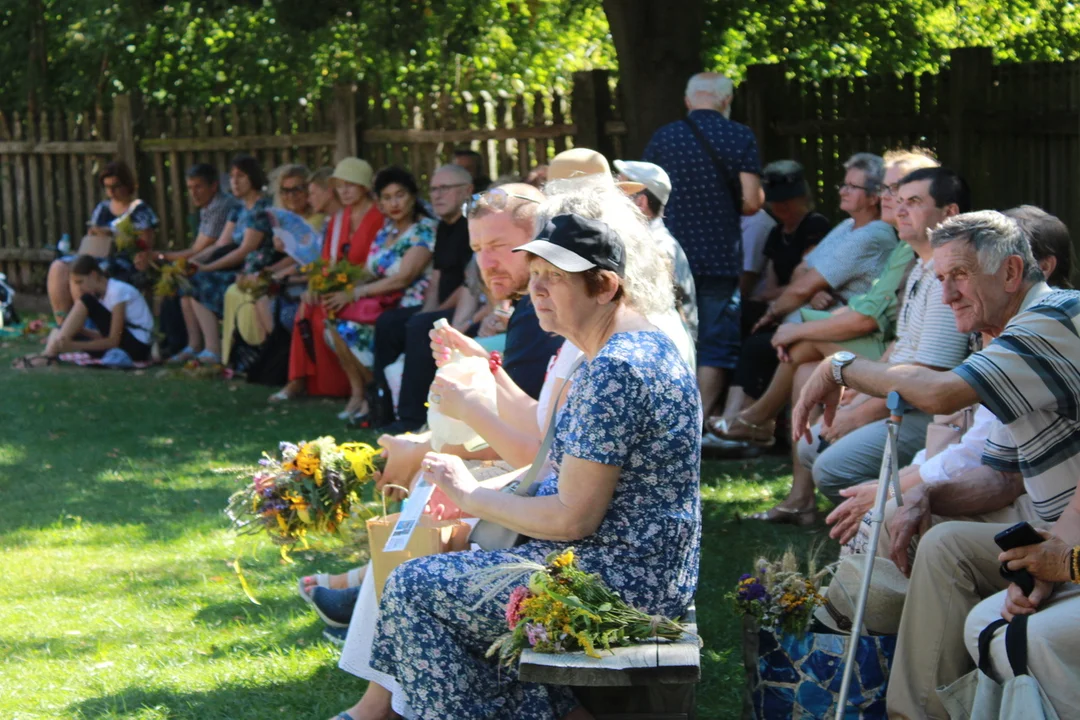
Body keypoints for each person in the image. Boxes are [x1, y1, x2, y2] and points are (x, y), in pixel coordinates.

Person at [330, 212, 700, 720]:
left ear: (606, 285)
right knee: (442, 576)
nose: (538, 290)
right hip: (642, 569)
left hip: (617, 584)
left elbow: (573, 518)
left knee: (414, 588)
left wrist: (470, 495)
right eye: (538, 275)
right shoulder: (638, 347)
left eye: (557, 278)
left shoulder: (615, 368)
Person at [789, 210, 1080, 720]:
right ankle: (913, 712)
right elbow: (1002, 475)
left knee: (955, 566)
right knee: (940, 538)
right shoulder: (1013, 334)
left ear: (1012, 273)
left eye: (960, 276)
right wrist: (927, 495)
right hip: (1055, 530)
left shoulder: (1052, 321)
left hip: (1068, 541)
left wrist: (840, 367)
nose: (946, 296)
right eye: (941, 279)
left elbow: (940, 394)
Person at [794, 168, 970, 509]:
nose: (899, 210)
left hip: (930, 414)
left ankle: (886, 537)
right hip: (901, 396)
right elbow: (901, 345)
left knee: (831, 467)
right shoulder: (920, 265)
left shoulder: (947, 276)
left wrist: (860, 414)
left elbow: (930, 372)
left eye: (914, 202)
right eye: (899, 201)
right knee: (811, 444)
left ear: (950, 212)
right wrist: (861, 387)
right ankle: (869, 533)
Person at [373, 183, 564, 435]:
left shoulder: (541, 308)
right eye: (477, 250)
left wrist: (424, 448)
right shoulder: (531, 303)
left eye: (497, 246)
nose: (486, 263)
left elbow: (528, 433)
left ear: (539, 238)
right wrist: (482, 358)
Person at [643, 71, 765, 419]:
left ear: (687, 101)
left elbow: (644, 198)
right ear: (726, 100)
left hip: (667, 256)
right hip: (718, 257)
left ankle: (667, 424)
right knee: (715, 345)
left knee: (668, 336)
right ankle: (694, 426)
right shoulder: (739, 136)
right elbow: (752, 202)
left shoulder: (664, 138)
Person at [367, 165, 475, 425]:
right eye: (434, 189)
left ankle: (411, 417)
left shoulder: (472, 226)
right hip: (443, 307)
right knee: (390, 323)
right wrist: (428, 310)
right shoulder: (444, 227)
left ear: (467, 191)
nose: (437, 195)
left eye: (445, 189)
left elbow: (470, 284)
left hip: (468, 309)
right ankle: (382, 408)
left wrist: (433, 316)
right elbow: (437, 278)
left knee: (418, 327)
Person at [328, 166, 436, 424]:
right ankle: (365, 393)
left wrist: (355, 294)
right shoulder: (385, 231)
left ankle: (374, 396)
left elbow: (404, 277)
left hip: (411, 303)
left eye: (400, 195)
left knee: (349, 327)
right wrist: (337, 285)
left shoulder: (425, 229)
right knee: (332, 323)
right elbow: (370, 270)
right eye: (387, 198)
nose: (394, 203)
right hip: (380, 303)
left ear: (413, 196)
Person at [271, 159, 383, 403]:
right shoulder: (338, 219)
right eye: (340, 186)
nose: (344, 191)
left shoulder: (378, 216)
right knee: (306, 308)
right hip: (338, 286)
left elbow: (379, 263)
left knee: (325, 312)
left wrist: (346, 287)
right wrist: (314, 287)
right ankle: (299, 381)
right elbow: (325, 261)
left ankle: (350, 389)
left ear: (364, 186)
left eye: (350, 185)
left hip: (368, 288)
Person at [169, 155, 276, 366]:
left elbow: (245, 250)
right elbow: (221, 245)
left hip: (255, 270)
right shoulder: (238, 208)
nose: (234, 181)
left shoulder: (261, 208)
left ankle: (213, 349)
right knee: (186, 280)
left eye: (241, 176)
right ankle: (194, 345)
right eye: (233, 176)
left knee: (201, 280)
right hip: (238, 267)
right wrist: (187, 263)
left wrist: (207, 267)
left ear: (253, 177)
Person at [46, 161, 159, 323]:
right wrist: (95, 234)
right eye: (107, 187)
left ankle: (83, 326)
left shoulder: (140, 210)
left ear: (127, 185)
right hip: (96, 255)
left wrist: (115, 235)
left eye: (115, 186)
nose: (111, 192)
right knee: (58, 267)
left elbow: (144, 246)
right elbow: (90, 241)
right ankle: (63, 326)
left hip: (123, 262)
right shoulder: (102, 208)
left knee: (82, 274)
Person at [157, 163, 240, 358]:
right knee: (178, 281)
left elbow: (203, 249)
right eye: (190, 188)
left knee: (184, 281)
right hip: (218, 260)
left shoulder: (221, 206)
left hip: (231, 264)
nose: (193, 193)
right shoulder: (208, 206)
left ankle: (183, 345)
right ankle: (192, 345)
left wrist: (167, 259)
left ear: (213, 186)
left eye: (198, 187)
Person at [13, 254, 153, 368]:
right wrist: (81, 331)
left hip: (138, 348)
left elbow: (114, 340)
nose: (79, 288)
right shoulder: (103, 296)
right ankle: (48, 356)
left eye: (80, 282)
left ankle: (47, 357)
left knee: (86, 300)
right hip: (124, 343)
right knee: (65, 327)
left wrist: (73, 345)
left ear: (93, 275)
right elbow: (107, 335)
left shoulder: (117, 291)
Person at [613, 159, 698, 340]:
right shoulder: (647, 243)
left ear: (641, 202)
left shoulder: (658, 249)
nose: (611, 199)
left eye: (620, 192)